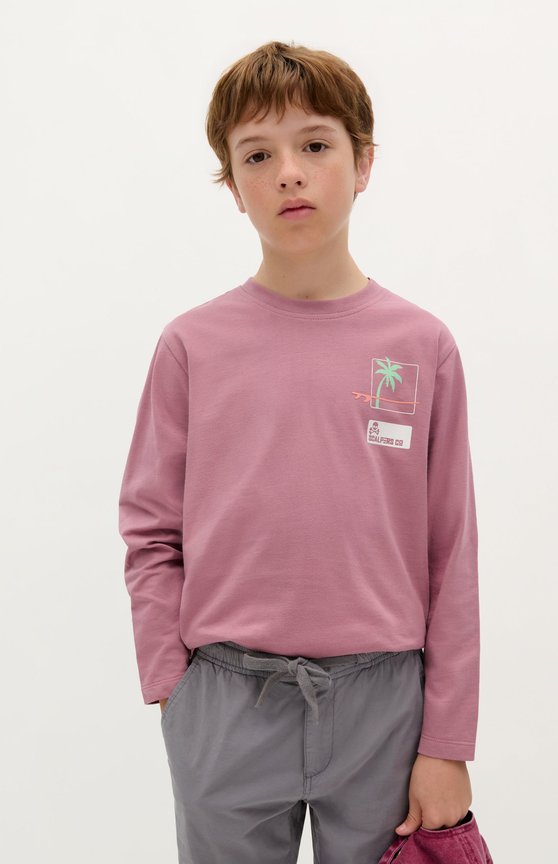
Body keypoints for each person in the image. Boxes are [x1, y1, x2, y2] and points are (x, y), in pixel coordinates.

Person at [118, 39, 481, 864]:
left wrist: (447, 738)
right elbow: (149, 528)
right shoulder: (191, 346)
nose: (289, 173)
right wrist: (173, 686)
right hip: (223, 701)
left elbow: (451, 549)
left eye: (315, 145)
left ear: (363, 163)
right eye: (257, 155)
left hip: (386, 707)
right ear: (232, 185)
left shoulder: (420, 345)